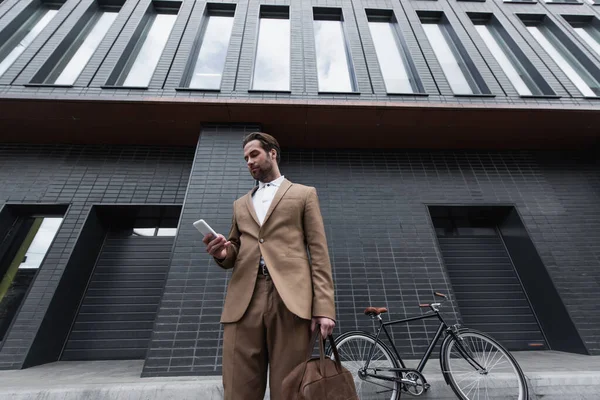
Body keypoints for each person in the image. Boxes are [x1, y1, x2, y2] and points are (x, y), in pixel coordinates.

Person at [203, 132, 336, 400]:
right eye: (245, 158)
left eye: (254, 154)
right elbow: (233, 251)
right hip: (244, 299)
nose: (249, 162)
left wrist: (324, 308)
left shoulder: (304, 194)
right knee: (238, 386)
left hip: (291, 300)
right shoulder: (240, 204)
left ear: (272, 153)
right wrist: (221, 252)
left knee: (290, 387)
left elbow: (319, 252)